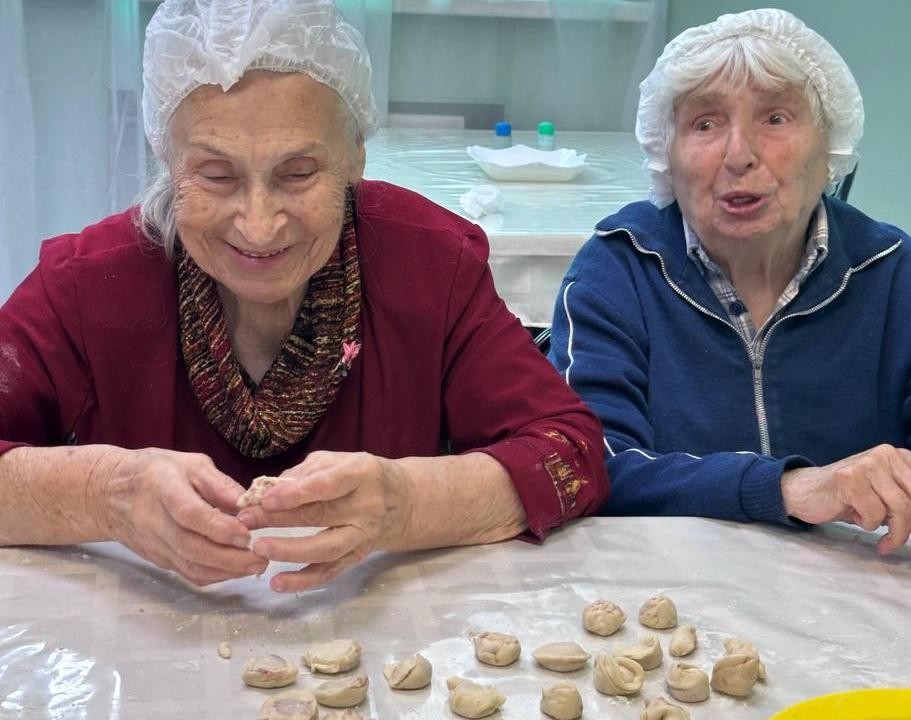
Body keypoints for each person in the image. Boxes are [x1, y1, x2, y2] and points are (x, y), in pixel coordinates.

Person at [0, 0, 608, 593]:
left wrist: (405, 503)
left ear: (355, 158)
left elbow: (571, 454)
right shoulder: (87, 286)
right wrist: (109, 493)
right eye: (216, 175)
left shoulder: (428, 265)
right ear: (167, 161)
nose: (259, 226)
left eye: (298, 174)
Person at [549, 8, 911, 564]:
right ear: (666, 156)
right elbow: (586, 466)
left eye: (776, 118)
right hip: (665, 604)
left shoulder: (895, 277)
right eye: (705, 124)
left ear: (831, 148)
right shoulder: (619, 270)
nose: (739, 155)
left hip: (862, 613)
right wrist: (789, 489)